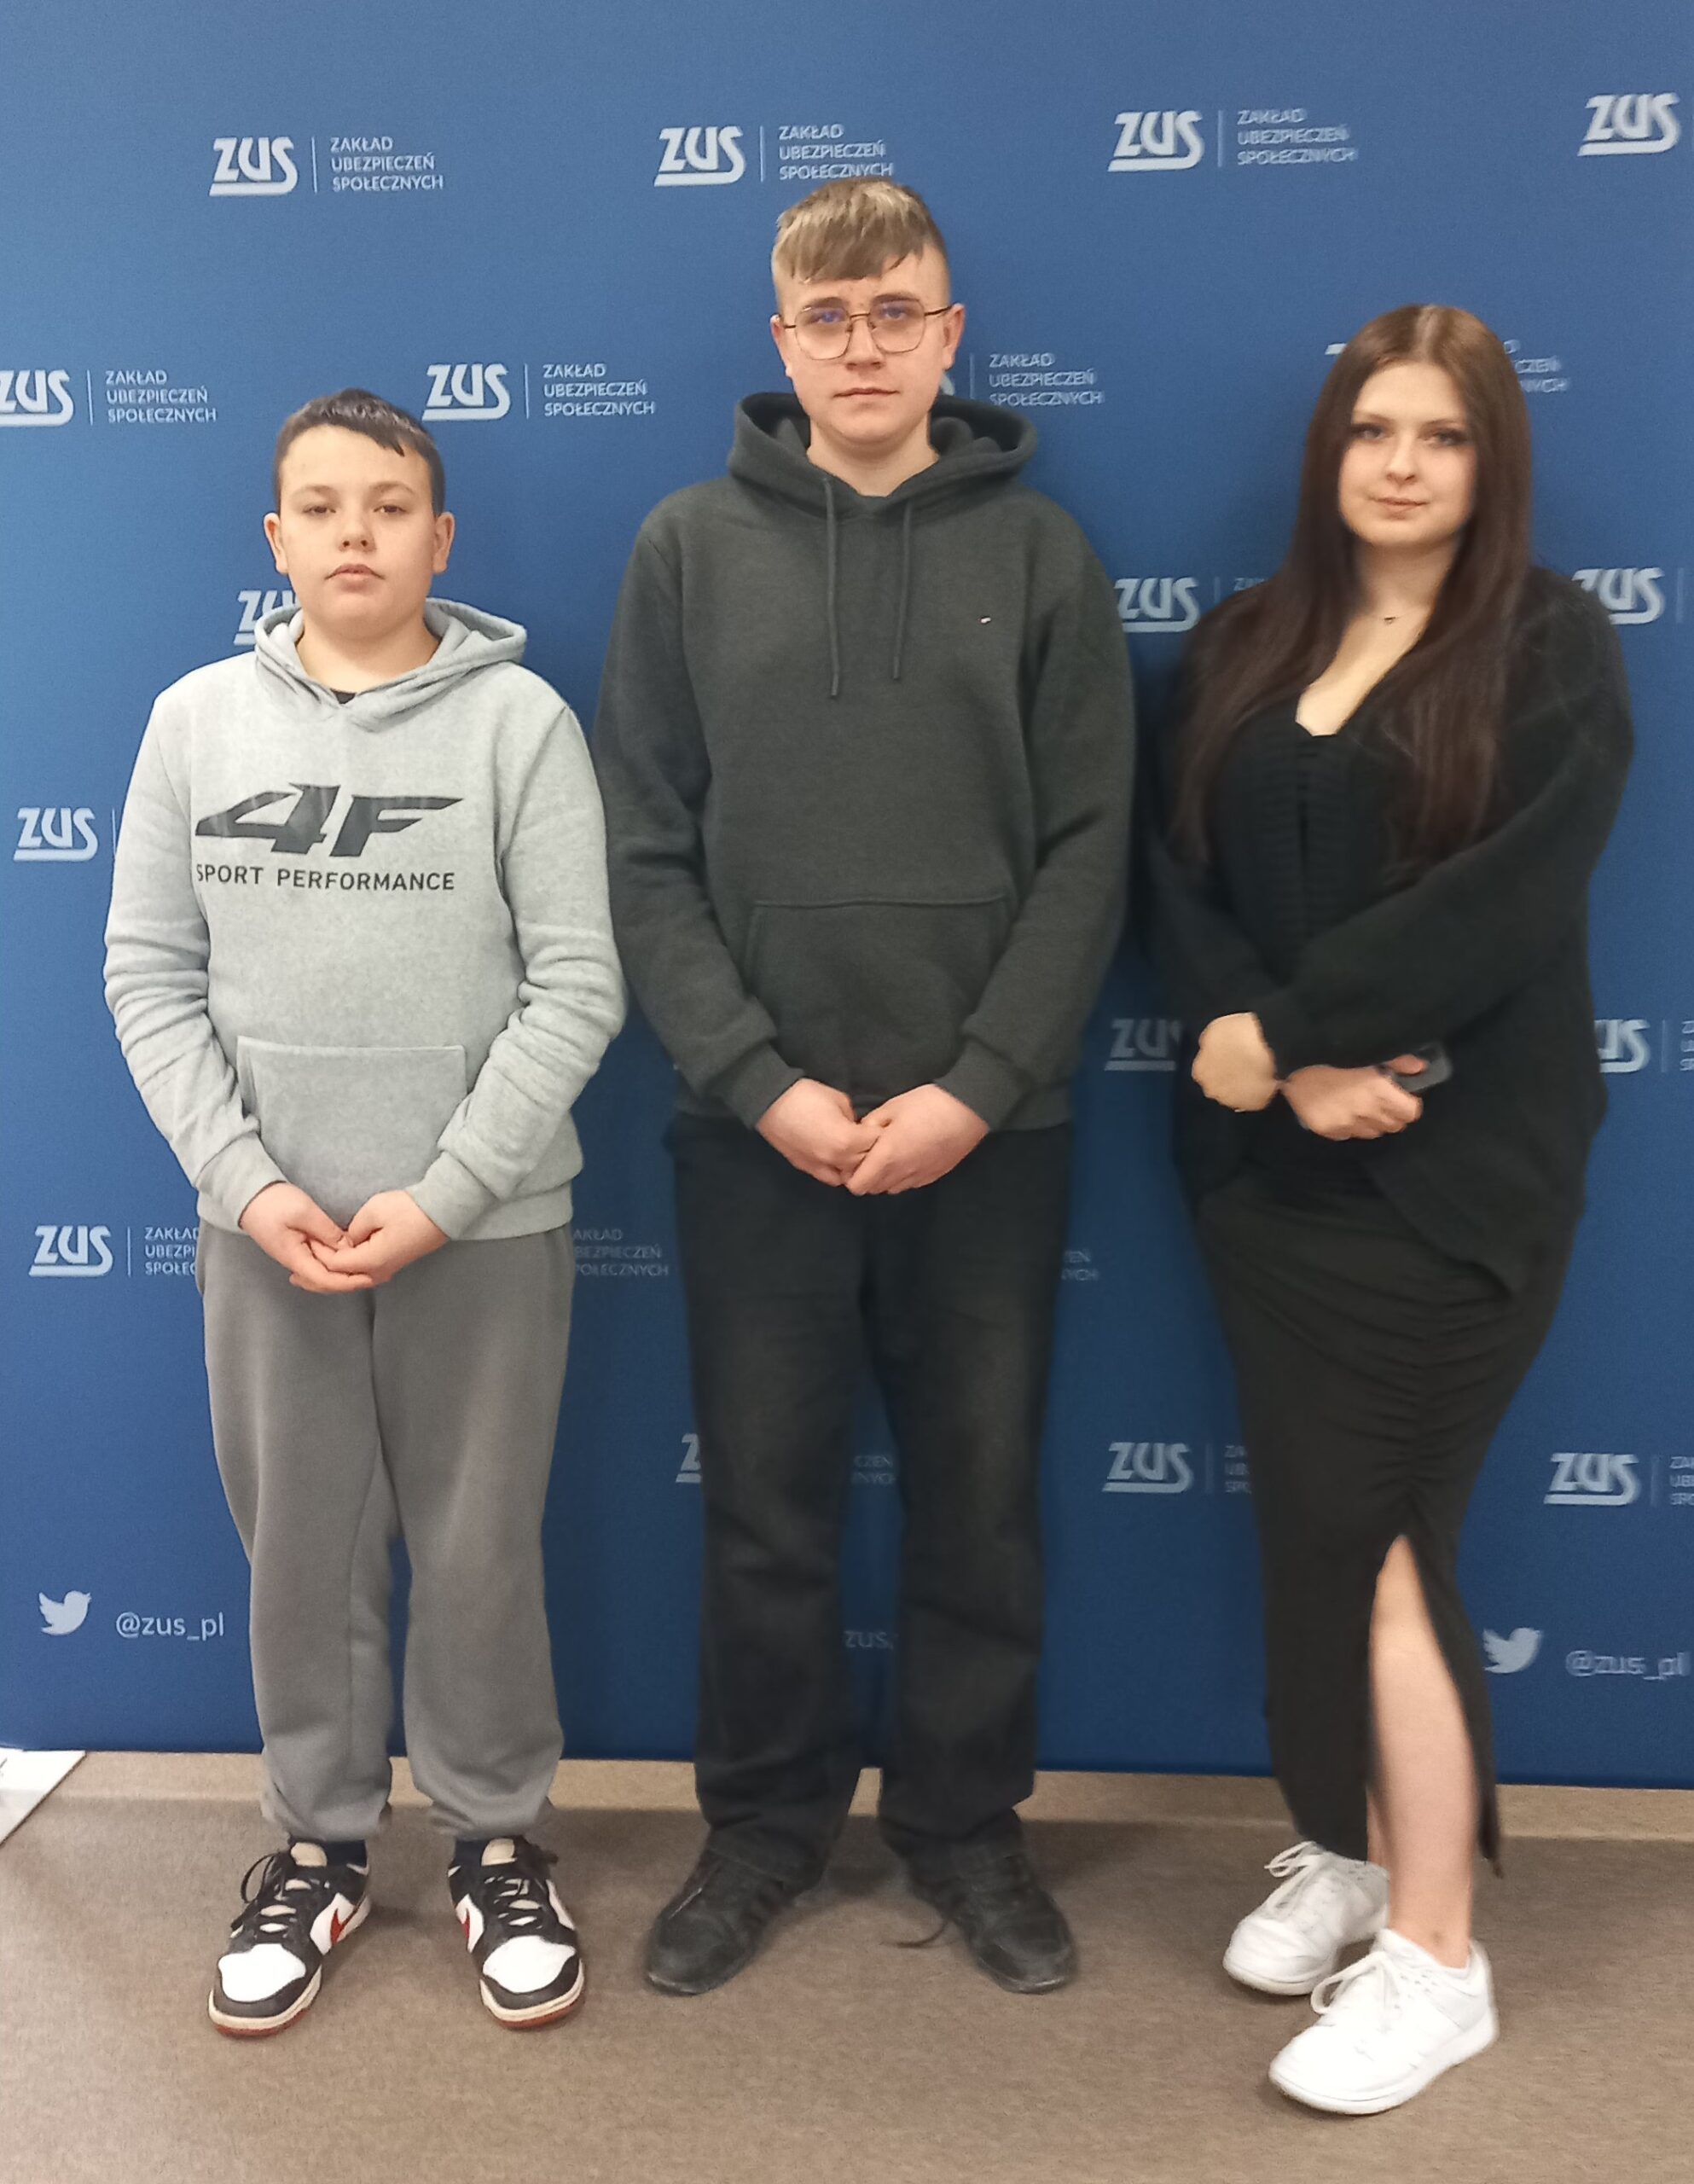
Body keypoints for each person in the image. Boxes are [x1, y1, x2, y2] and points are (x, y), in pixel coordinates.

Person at [595, 179, 1134, 1997]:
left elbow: (1089, 850)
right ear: (783, 342)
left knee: (979, 1501)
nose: (864, 346)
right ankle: (762, 1825)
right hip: (757, 1134)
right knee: (766, 1508)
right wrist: (758, 1080)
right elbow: (644, 849)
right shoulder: (685, 547)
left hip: (992, 1133)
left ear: (949, 334)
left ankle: (966, 1829)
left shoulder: (1042, 554)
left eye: (897, 312)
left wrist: (978, 1083)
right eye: (829, 318)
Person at [1147, 305, 1632, 2112]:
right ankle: (1353, 1853)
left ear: (1490, 461)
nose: (1404, 464)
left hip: (1453, 1181)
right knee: (1319, 1535)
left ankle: (1439, 1956)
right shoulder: (1242, 641)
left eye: (1442, 435)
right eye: (1374, 431)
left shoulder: (1549, 643)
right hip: (1270, 1174)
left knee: (1379, 1545)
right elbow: (1174, 879)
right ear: (1329, 451)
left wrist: (1291, 1033)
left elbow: (1506, 897)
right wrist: (1264, 1057)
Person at [104, 389, 624, 2035]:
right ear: (275, 539)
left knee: (478, 1549)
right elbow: (147, 977)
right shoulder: (194, 722)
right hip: (268, 1236)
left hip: (486, 1229)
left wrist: (450, 1191)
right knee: (301, 1558)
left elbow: (578, 984)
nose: (355, 534)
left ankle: (495, 1842)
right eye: (321, 507)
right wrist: (248, 1186)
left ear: (439, 537)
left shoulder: (521, 724)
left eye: (389, 506)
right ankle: (319, 1848)